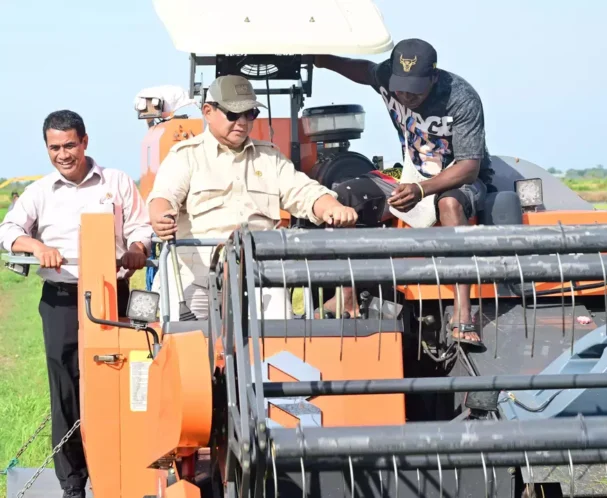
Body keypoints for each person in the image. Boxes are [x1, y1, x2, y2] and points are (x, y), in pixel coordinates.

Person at [0, 110, 153, 498]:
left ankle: (123, 473)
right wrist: (36, 246)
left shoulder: (115, 182)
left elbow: (141, 227)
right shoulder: (40, 191)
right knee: (67, 392)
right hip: (62, 300)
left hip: (111, 295)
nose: (63, 154)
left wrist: (137, 249)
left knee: (121, 384)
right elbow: (9, 230)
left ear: (85, 142)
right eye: (55, 147)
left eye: (70, 144)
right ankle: (73, 485)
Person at [314, 38, 494, 346]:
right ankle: (347, 295)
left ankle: (463, 313)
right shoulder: (385, 77)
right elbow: (362, 70)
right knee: (344, 195)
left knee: (450, 204)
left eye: (415, 90)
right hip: (411, 171)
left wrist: (422, 190)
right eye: (400, 89)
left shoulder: (461, 98)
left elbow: (469, 166)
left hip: (455, 178)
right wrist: (321, 58)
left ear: (433, 78)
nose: (406, 96)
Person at [147, 74, 358, 320]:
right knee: (182, 344)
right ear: (207, 111)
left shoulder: (269, 158)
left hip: (260, 278)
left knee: (282, 340)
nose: (242, 122)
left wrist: (330, 207)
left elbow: (303, 191)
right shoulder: (185, 156)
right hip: (196, 278)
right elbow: (163, 198)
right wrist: (160, 217)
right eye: (233, 114)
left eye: (250, 114)